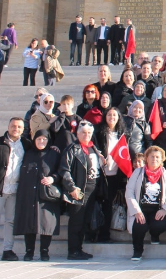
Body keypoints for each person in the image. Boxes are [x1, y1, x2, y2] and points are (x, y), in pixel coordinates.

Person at [0, 117, 30, 262]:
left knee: (11, 221)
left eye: (19, 127)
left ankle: (8, 249)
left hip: (15, 189)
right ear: (8, 127)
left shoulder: (25, 144)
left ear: (23, 129)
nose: (16, 129)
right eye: (14, 126)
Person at [13, 129, 60, 261]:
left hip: (45, 194)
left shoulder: (54, 154)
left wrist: (53, 178)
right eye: (38, 139)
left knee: (46, 223)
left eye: (44, 139)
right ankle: (29, 251)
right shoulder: (27, 153)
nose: (41, 141)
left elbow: (60, 171)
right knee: (29, 223)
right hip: (28, 193)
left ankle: (44, 251)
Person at [60, 120, 104, 260]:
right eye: (83, 133)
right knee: (76, 222)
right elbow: (64, 170)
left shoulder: (93, 148)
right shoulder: (72, 149)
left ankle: (79, 249)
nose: (86, 135)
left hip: (92, 191)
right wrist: (71, 188)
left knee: (84, 221)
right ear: (77, 133)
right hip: (79, 191)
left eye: (89, 133)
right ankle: (73, 251)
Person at [125, 146, 166, 261]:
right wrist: (136, 211)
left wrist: (164, 209)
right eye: (152, 156)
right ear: (146, 158)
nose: (155, 159)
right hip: (141, 209)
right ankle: (137, 251)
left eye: (157, 157)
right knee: (139, 226)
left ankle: (155, 235)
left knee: (159, 225)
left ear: (161, 160)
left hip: (158, 210)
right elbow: (129, 192)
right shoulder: (138, 173)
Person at [94, 107, 127, 243]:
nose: (112, 117)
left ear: (118, 117)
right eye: (109, 115)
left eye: (115, 115)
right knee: (98, 204)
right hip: (100, 174)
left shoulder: (122, 134)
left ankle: (104, 235)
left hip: (115, 174)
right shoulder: (98, 132)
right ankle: (92, 233)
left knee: (108, 205)